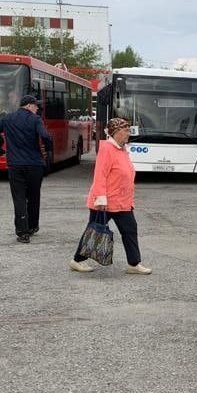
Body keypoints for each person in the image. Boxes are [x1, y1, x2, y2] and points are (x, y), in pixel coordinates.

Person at [70, 118, 152, 275]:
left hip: (122, 201)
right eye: (126, 130)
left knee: (130, 229)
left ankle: (134, 264)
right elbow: (100, 175)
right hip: (105, 202)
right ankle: (76, 261)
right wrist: (101, 198)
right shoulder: (107, 148)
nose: (129, 133)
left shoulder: (122, 148)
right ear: (116, 132)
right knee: (94, 231)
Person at [0, 95, 53, 243]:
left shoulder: (8, 119)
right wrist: (48, 151)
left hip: (15, 164)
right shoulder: (35, 120)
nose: (37, 109)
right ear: (28, 106)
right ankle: (33, 226)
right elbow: (46, 136)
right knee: (34, 196)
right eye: (36, 106)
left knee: (19, 197)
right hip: (35, 164)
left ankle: (22, 232)